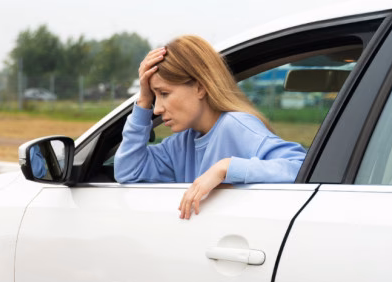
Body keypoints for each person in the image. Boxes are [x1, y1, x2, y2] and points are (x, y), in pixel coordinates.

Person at [114, 36, 307, 219]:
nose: (156, 109)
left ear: (200, 87)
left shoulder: (236, 126)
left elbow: (300, 168)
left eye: (164, 93)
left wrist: (226, 167)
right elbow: (128, 172)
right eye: (154, 97)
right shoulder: (180, 143)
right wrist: (143, 100)